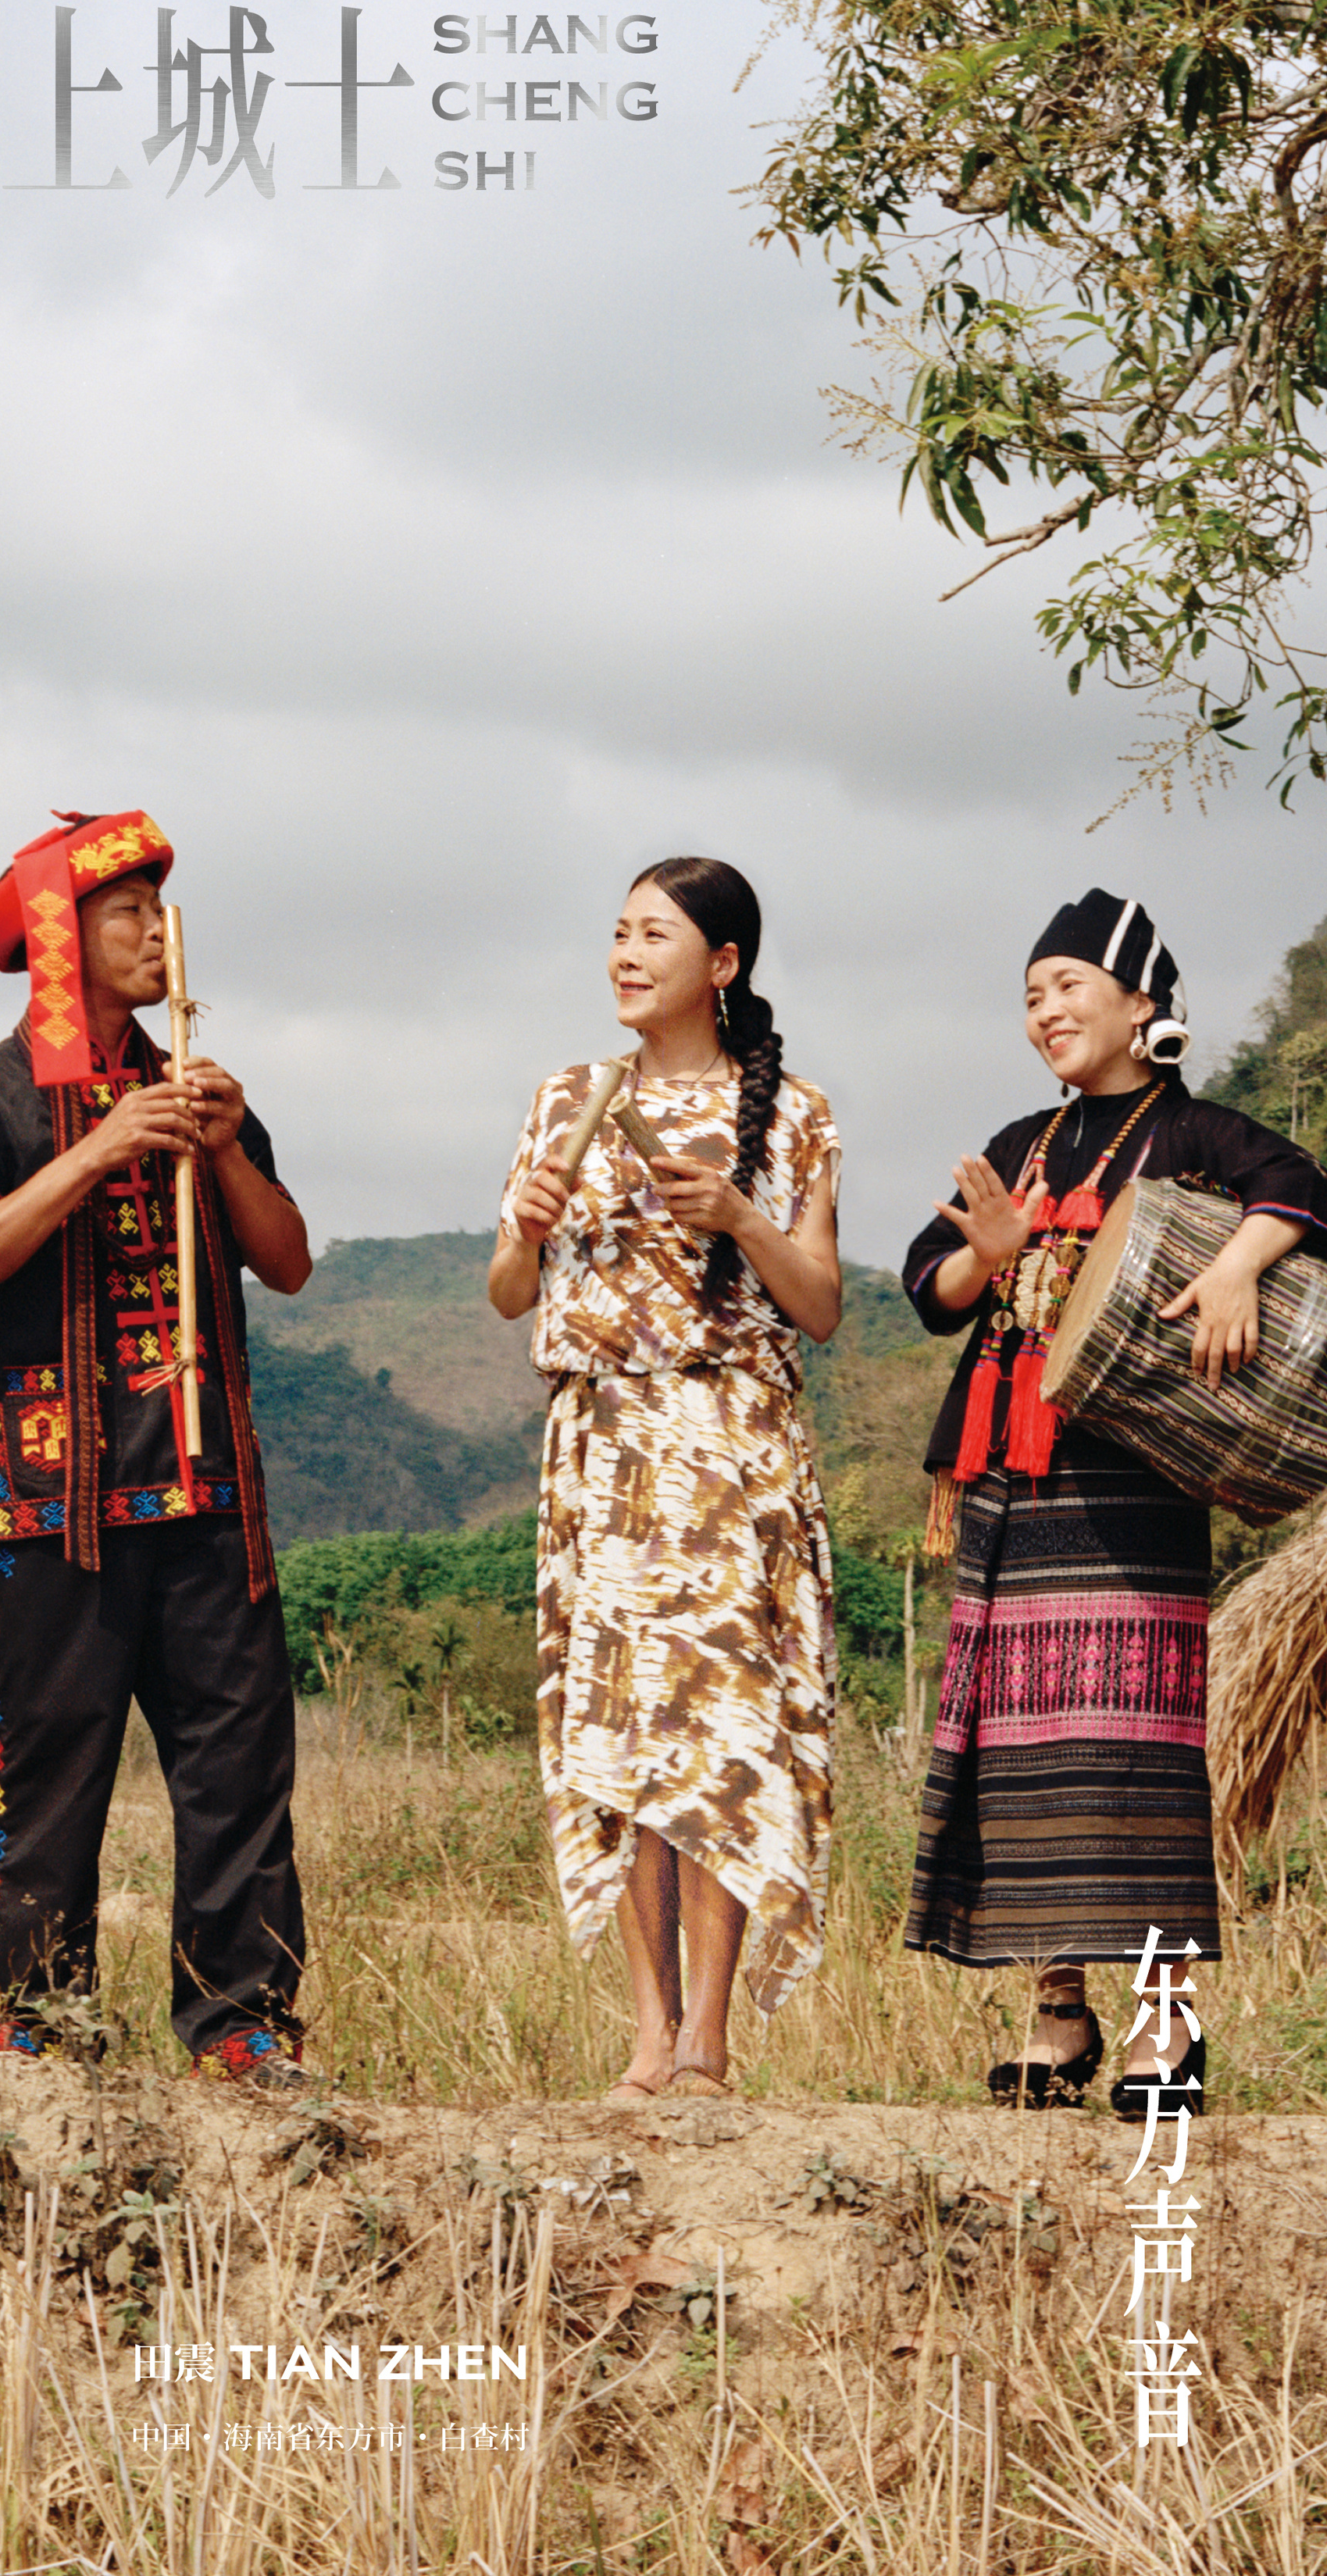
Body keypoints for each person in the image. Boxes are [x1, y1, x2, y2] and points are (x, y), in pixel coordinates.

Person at [902, 889, 1327, 2114]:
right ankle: (1058, 2014)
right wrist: (989, 1256)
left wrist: (1240, 1265)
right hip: (1010, 1478)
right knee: (1027, 1753)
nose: (1045, 1010)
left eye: (1069, 986)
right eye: (1031, 994)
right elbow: (927, 1287)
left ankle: (1164, 2027)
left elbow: (1310, 1199)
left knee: (1131, 1750)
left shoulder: (1198, 1136)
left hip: (1135, 1486)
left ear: (1144, 1002)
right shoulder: (1023, 1142)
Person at [0, 808, 313, 2082]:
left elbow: (288, 1261)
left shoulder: (198, 1081)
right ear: (59, 940)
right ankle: (42, 2031)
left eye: (158, 908)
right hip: (42, 1510)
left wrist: (216, 1145)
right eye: (127, 911)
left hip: (205, 1495)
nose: (156, 932)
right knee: (45, 1790)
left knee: (239, 1780)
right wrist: (96, 1151)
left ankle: (240, 2026)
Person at [489, 857, 842, 2099]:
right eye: (619, 933)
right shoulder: (564, 1100)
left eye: (656, 935)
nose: (626, 955)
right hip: (603, 1450)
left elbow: (822, 1307)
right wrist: (524, 1229)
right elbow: (506, 1295)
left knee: (723, 1740)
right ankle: (648, 2033)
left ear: (724, 966)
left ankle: (710, 2044)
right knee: (623, 1745)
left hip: (730, 1443)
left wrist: (741, 1219)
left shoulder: (792, 1115)